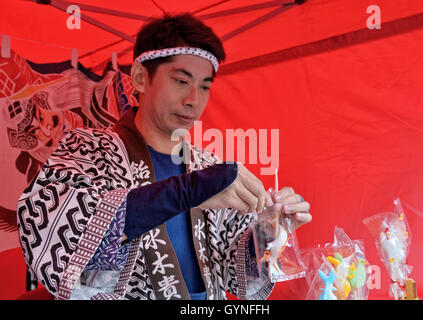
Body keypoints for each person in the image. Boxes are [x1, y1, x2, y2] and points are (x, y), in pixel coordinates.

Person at [16, 13, 311, 300]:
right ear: (141, 78)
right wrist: (185, 192)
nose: (194, 100)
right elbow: (52, 236)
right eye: (182, 81)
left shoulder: (208, 167)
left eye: (205, 87)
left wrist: (268, 234)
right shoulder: (86, 151)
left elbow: (236, 275)